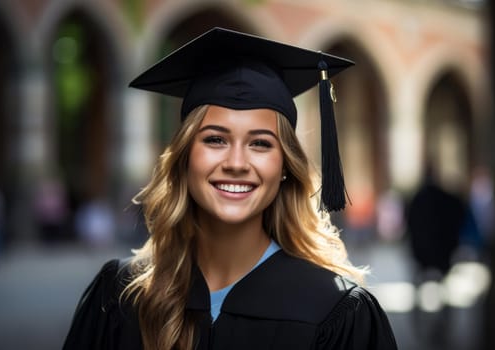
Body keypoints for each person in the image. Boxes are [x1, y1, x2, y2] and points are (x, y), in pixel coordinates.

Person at [63, 27, 397, 350]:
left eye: (260, 144)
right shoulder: (121, 295)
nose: (236, 162)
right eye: (215, 139)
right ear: (184, 158)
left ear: (285, 167)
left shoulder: (336, 311)